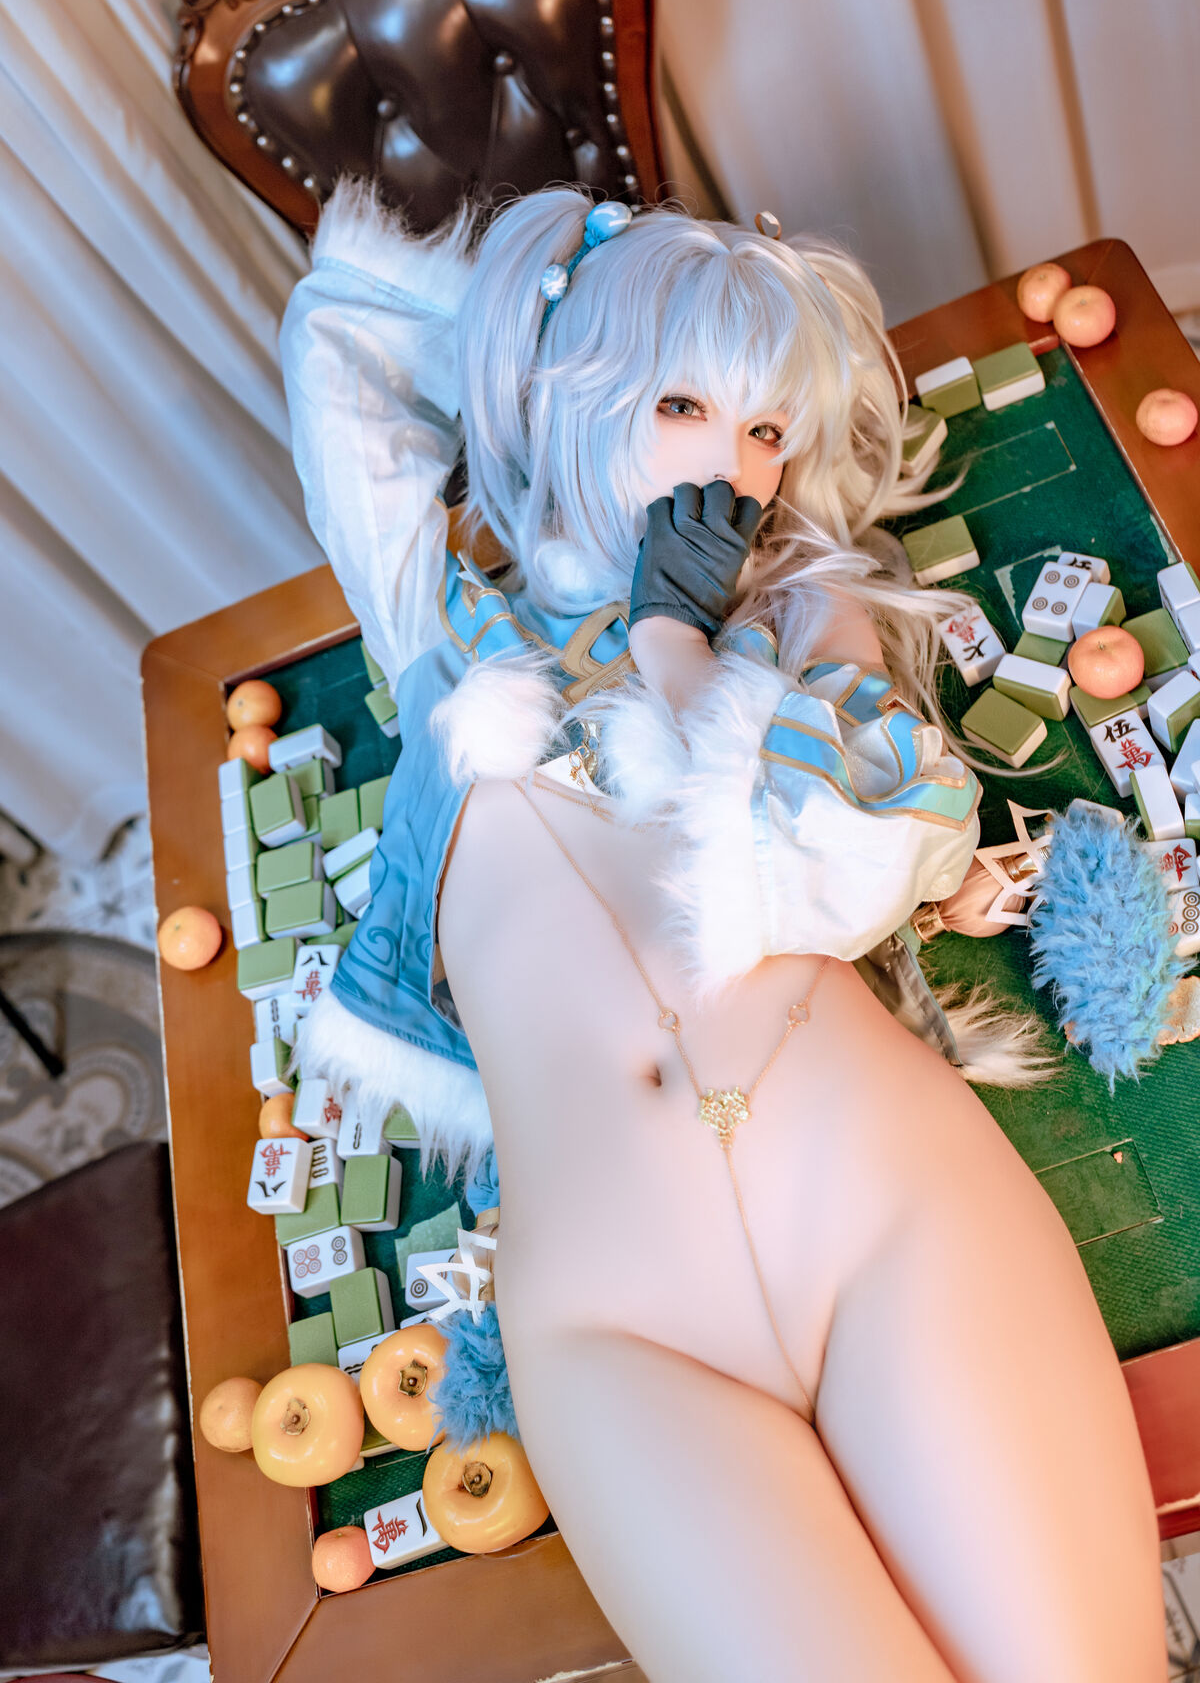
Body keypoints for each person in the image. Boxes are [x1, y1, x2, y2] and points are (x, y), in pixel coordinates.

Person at [280, 175, 1165, 1682]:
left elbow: (857, 873)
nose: (734, 467)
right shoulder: (438, 633)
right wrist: (552, 307)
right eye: (682, 404)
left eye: (767, 428)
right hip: (621, 1327)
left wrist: (680, 650)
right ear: (578, 390)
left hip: (880, 1199)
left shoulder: (806, 616)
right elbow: (340, 334)